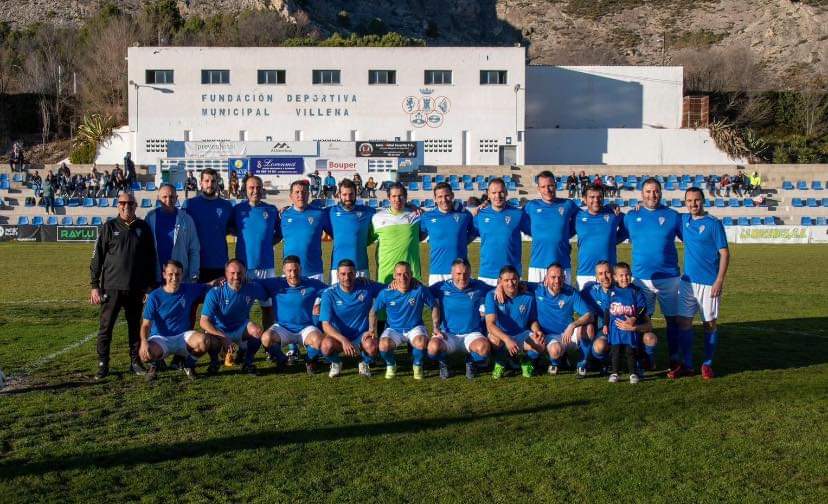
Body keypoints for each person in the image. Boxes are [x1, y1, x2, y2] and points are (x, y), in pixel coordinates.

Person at [89, 191, 157, 379]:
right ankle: (103, 364)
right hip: (111, 288)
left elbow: (151, 260)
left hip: (136, 289)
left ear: (136, 205)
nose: (126, 206)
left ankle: (135, 362)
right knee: (106, 328)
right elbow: (97, 258)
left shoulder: (143, 227)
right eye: (122, 203)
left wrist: (149, 288)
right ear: (118, 205)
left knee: (135, 327)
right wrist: (95, 285)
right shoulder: (109, 227)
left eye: (130, 203)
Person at [623, 177, 683, 372]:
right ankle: (646, 358)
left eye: (655, 191)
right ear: (642, 194)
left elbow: (690, 239)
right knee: (642, 321)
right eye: (648, 191)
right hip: (641, 280)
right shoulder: (631, 216)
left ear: (661, 192)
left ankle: (675, 358)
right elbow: (614, 235)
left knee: (672, 320)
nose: (652, 195)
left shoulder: (673, 216)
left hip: (669, 278)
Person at [675, 188, 729, 380]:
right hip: (688, 283)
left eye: (696, 200)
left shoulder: (714, 224)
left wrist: (719, 280)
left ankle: (707, 363)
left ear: (703, 201)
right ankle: (687, 364)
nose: (693, 204)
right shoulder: (684, 220)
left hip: (709, 283)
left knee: (709, 323)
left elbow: (724, 253)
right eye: (689, 201)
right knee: (683, 322)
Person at [138, 260, 218, 381]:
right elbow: (145, 325)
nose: (174, 278)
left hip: (183, 337)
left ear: (182, 274)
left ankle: (188, 364)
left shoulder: (189, 289)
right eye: (171, 274)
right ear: (164, 274)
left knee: (204, 341)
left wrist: (222, 279)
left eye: (177, 274)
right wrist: (144, 341)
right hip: (161, 338)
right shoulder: (155, 296)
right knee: (144, 353)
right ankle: (154, 366)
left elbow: (209, 285)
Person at [199, 259, 270, 375]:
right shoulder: (215, 292)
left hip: (240, 326)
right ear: (226, 274)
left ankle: (247, 363)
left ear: (245, 273)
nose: (236, 276)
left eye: (240, 273)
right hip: (219, 329)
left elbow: (269, 293)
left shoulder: (252, 287)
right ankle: (214, 362)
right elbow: (203, 322)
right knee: (210, 341)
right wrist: (223, 337)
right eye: (232, 273)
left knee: (257, 332)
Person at [258, 256, 327, 374]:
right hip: (282, 328)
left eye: (295, 270)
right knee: (266, 338)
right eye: (289, 271)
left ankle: (310, 360)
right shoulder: (275, 283)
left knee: (320, 340)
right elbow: (253, 282)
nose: (293, 274)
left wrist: (358, 282)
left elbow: (332, 291)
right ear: (284, 271)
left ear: (300, 269)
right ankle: (282, 359)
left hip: (305, 327)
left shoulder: (312, 284)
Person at [370, 261, 438, 380]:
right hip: (394, 329)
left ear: (411, 274)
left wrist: (436, 327)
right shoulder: (386, 293)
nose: (403, 277)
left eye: (406, 274)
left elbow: (434, 306)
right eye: (399, 274)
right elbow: (373, 311)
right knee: (383, 345)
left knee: (421, 342)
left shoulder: (419, 289)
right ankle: (391, 365)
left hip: (415, 327)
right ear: (394, 276)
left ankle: (417, 365)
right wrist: (371, 330)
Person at [318, 259, 385, 378]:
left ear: (355, 274)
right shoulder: (329, 293)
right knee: (325, 346)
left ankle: (364, 362)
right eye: (343, 274)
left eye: (350, 274)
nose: (347, 277)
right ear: (337, 275)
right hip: (339, 338)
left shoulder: (366, 287)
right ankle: (336, 363)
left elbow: (390, 288)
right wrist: (344, 340)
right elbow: (325, 325)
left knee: (373, 346)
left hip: (361, 336)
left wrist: (411, 281)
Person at [428, 258, 492, 380]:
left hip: (472, 334)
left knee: (484, 350)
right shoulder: (441, 287)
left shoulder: (478, 286)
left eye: (466, 273)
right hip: (447, 334)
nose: (462, 277)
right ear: (451, 274)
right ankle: (443, 362)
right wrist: (411, 281)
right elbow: (419, 291)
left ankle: (470, 361)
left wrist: (501, 288)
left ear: (470, 273)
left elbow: (499, 288)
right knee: (432, 349)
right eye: (458, 274)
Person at [232, 175, 282, 326]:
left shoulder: (271, 210)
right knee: (242, 307)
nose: (255, 191)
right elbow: (229, 228)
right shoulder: (237, 210)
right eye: (251, 188)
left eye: (258, 187)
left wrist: (266, 243)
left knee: (267, 307)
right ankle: (243, 343)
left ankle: (268, 344)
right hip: (244, 268)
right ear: (245, 190)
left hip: (266, 267)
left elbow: (279, 234)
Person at [485, 265, 543, 379]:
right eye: (506, 280)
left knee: (540, 343)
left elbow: (532, 320)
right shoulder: (492, 296)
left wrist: (537, 330)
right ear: (500, 282)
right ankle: (500, 362)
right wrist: (507, 339)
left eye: (514, 279)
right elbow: (490, 324)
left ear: (519, 279)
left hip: (521, 333)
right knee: (494, 339)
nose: (511, 283)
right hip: (502, 335)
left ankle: (526, 361)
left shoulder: (528, 297)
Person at [522, 171, 579, 285]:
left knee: (564, 300)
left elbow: (584, 219)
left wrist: (566, 234)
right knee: (537, 301)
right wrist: (536, 233)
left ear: (555, 185)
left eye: (550, 186)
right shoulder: (531, 206)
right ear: (538, 189)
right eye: (543, 187)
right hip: (538, 265)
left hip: (562, 264)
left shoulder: (568, 204)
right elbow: (518, 221)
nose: (547, 190)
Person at [183, 168, 234, 282]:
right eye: (206, 181)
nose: (210, 184)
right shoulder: (190, 204)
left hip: (219, 263)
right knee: (197, 299)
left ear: (217, 183)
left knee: (219, 298)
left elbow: (233, 229)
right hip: (196, 262)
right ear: (201, 183)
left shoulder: (226, 206)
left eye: (213, 181)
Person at [420, 182, 476, 285]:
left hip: (461, 270)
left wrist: (462, 242)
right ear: (435, 198)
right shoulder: (427, 217)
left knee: (461, 300)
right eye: (440, 196)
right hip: (437, 271)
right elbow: (419, 236)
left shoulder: (464, 215)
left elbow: (473, 233)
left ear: (452, 196)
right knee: (436, 301)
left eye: (447, 196)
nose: (444, 200)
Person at [606, 262, 654, 384]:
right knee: (615, 351)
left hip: (629, 328)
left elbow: (642, 307)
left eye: (627, 275)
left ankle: (633, 373)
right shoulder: (611, 291)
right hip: (616, 328)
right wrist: (606, 325)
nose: (624, 278)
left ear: (631, 275)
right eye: (621, 275)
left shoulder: (635, 291)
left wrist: (633, 318)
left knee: (630, 351)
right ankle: (615, 372)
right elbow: (607, 310)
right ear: (615, 277)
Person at [473, 178, 526, 286]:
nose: (497, 196)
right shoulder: (479, 215)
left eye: (501, 192)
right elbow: (464, 237)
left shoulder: (518, 214)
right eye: (494, 193)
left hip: (511, 275)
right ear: (488, 194)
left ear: (506, 193)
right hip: (486, 275)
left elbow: (536, 232)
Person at [145, 184, 200, 284]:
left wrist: (194, 274)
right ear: (158, 199)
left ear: (176, 198)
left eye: (171, 197)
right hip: (156, 277)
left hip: (179, 278)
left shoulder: (186, 219)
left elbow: (194, 249)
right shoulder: (150, 217)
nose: (168, 200)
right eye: (164, 197)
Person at [574, 184, 627, 289]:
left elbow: (627, 227)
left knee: (610, 305)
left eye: (599, 197)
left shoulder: (613, 214)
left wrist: (613, 240)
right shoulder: (577, 216)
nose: (596, 200)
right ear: (584, 199)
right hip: (585, 273)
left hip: (609, 273)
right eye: (592, 197)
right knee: (585, 305)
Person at [325, 179, 375, 284]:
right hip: (337, 269)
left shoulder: (367, 212)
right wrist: (288, 208)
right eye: (344, 194)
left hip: (360, 268)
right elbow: (307, 210)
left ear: (356, 194)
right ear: (339, 195)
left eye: (351, 194)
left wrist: (410, 206)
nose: (348, 198)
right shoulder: (329, 212)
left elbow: (391, 211)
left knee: (363, 299)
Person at [371, 182, 422, 283]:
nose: (397, 199)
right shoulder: (377, 218)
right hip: (386, 274)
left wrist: (414, 207)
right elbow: (367, 239)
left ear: (406, 197)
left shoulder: (416, 216)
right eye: (394, 196)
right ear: (389, 198)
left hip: (411, 274)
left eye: (400, 196)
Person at [280, 180, 328, 281]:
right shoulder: (283, 215)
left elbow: (336, 233)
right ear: (291, 196)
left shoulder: (319, 214)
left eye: (304, 192)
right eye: (297, 192)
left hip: (314, 273)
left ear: (308, 194)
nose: (300, 195)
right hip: (289, 272)